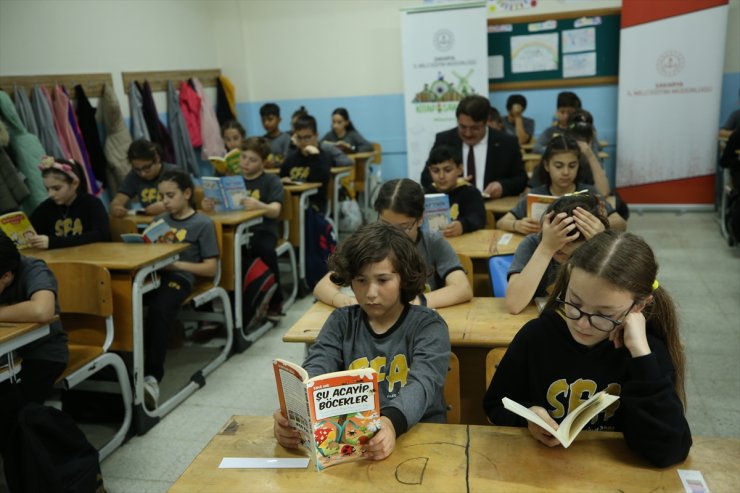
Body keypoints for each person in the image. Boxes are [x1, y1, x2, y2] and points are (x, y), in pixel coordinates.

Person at [484, 231, 692, 468]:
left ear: (640, 306)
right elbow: (495, 406)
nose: (582, 323)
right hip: (544, 472)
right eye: (574, 302)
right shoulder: (537, 335)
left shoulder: (647, 353)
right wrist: (527, 418)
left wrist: (641, 356)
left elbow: (669, 450)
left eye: (604, 315)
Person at [274, 222, 451, 460]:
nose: (370, 293)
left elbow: (423, 384)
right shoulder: (341, 321)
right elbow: (317, 365)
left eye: (383, 280)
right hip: (354, 442)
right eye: (360, 280)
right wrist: (295, 416)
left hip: (422, 436)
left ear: (404, 277)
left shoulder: (429, 325)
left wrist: (389, 422)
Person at [314, 178, 472, 309]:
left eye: (403, 227)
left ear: (420, 218)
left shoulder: (433, 244)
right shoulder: (367, 243)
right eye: (385, 225)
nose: (392, 234)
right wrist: (346, 302)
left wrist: (415, 303)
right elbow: (323, 287)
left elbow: (462, 288)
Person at [142, 170, 219, 409]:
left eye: (170, 195)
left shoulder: (202, 223)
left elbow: (210, 269)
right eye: (161, 195)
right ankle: (131, 368)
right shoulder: (159, 221)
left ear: (187, 194)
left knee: (159, 308)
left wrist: (174, 263)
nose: (164, 201)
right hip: (154, 276)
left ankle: (152, 377)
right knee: (131, 304)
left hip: (182, 277)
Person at [0, 233, 68, 455]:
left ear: (6, 277)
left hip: (42, 353)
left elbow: (42, 310)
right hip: (5, 355)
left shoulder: (33, 268)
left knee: (14, 414)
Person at [202, 137, 285, 318]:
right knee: (219, 252)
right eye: (243, 158)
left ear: (263, 162)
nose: (246, 163)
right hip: (235, 231)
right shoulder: (229, 181)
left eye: (252, 160)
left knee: (264, 249)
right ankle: (233, 300)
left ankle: (275, 299)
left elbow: (275, 211)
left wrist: (259, 205)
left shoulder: (271, 181)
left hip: (262, 230)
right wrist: (208, 205)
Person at [497, 134, 626, 235]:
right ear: (547, 165)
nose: (565, 172)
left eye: (572, 166)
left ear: (578, 165)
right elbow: (502, 222)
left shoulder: (589, 193)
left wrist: (600, 223)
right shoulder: (535, 195)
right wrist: (518, 225)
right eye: (558, 166)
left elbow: (620, 223)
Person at [505, 192, 609, 314]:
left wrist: (602, 246)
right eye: (557, 247)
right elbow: (513, 305)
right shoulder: (533, 244)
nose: (560, 250)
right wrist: (546, 248)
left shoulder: (603, 247)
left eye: (571, 252)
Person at [421, 95, 527, 199]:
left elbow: (521, 179)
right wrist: (450, 182)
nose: (468, 133)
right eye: (462, 127)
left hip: (494, 208)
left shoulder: (507, 143)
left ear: (486, 122)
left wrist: (502, 186)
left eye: (475, 128)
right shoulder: (444, 140)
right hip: (454, 207)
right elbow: (426, 177)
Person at [29, 156, 110, 249]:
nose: (50, 194)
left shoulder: (92, 203)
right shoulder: (47, 206)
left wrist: (54, 242)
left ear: (74, 183)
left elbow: (101, 235)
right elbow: (31, 229)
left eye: (56, 188)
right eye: (47, 189)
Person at [424, 146, 486, 237]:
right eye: (436, 171)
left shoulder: (470, 192)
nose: (441, 176)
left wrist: (463, 225)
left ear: (460, 169)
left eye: (447, 170)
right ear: (429, 171)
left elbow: (478, 219)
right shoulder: (427, 193)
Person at [109, 139, 177, 218]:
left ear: (157, 159)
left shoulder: (174, 173)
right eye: (137, 169)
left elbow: (187, 201)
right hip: (150, 225)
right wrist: (115, 208)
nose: (142, 174)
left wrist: (165, 206)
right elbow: (117, 201)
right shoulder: (134, 176)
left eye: (147, 168)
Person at [279, 114, 332, 212]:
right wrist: (282, 180)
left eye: (307, 137)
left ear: (316, 135)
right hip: (292, 202)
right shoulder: (291, 158)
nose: (303, 142)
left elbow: (318, 180)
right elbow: (281, 177)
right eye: (299, 138)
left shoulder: (323, 157)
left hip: (314, 203)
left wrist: (314, 156)